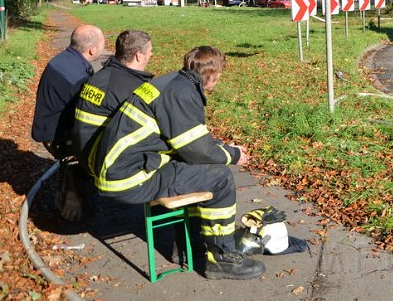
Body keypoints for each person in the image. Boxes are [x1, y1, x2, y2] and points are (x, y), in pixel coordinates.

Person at [91, 46, 265, 280]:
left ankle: (186, 248)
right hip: (130, 178)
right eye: (219, 77)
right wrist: (232, 155)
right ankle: (221, 257)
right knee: (220, 178)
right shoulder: (183, 94)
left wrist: (222, 147)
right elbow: (196, 150)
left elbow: (188, 138)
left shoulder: (172, 83)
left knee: (195, 172)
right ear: (212, 74)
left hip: (119, 169)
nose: (217, 82)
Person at [72, 30, 155, 174]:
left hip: (84, 153)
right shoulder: (132, 90)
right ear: (138, 56)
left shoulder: (99, 76)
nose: (151, 55)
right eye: (149, 51)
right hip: (102, 163)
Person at [32, 24, 105, 158]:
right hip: (57, 136)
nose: (104, 47)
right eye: (103, 44)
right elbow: (87, 114)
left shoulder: (67, 58)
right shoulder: (78, 77)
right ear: (92, 50)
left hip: (45, 125)